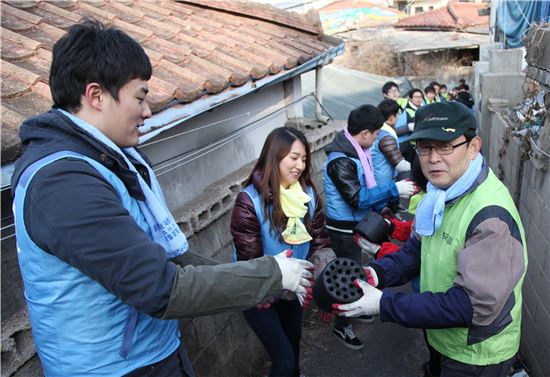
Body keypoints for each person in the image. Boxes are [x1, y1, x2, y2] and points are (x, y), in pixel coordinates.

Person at [11, 21, 314, 377]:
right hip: (111, 369)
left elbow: (173, 258)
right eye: (140, 97)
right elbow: (159, 288)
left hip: (151, 351)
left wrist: (257, 281)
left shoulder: (117, 160)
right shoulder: (63, 184)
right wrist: (269, 274)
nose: (147, 111)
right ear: (95, 96)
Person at [335, 102, 528, 377]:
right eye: (424, 147)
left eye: (445, 146)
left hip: (476, 353)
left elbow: (471, 305)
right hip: (442, 337)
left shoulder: (489, 215)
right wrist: (376, 274)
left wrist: (383, 303)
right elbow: (417, 251)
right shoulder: (440, 194)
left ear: (473, 147)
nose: (433, 157)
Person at [230, 127, 331, 377]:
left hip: (294, 286)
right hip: (256, 289)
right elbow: (250, 260)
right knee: (283, 361)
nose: (300, 165)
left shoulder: (307, 194)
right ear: (274, 156)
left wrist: (327, 288)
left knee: (293, 350)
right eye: (293, 157)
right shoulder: (249, 201)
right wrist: (276, 283)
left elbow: (319, 241)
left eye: (304, 159)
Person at [322, 104, 416, 350]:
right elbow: (357, 198)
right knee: (347, 276)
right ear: (364, 133)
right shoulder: (341, 161)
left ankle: (359, 308)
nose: (376, 140)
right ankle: (342, 326)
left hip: (356, 222)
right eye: (375, 134)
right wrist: (394, 189)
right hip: (343, 229)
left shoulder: (354, 152)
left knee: (359, 270)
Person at [371, 99, 411, 209]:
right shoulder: (386, 137)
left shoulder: (379, 131)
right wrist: (419, 168)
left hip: (377, 181)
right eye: (398, 115)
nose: (398, 118)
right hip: (382, 182)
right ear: (392, 118)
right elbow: (400, 165)